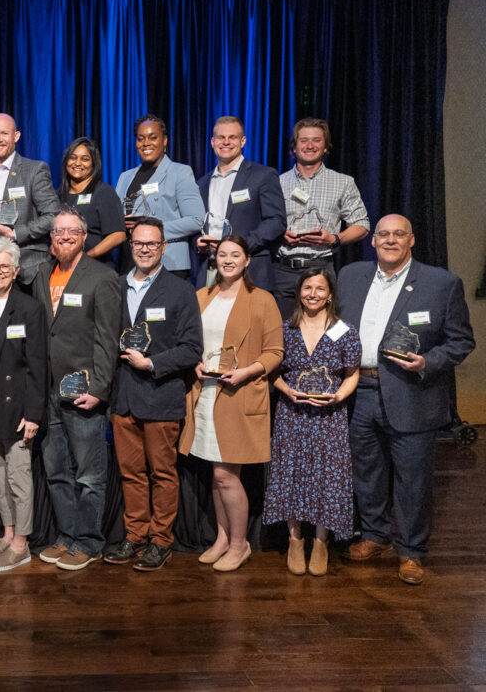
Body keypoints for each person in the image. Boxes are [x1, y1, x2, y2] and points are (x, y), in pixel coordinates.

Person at [339, 214, 475, 585]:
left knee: (413, 479)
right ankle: (374, 535)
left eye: (399, 234)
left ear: (411, 240)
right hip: (360, 390)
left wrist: (428, 362)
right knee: (365, 472)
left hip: (413, 392)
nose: (390, 240)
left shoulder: (441, 283)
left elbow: (461, 341)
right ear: (373, 241)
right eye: (383, 234)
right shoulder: (350, 277)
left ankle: (412, 551)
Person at [179, 235, 283, 572]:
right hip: (204, 393)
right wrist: (194, 362)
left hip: (237, 394)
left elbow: (275, 352)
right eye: (222, 254)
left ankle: (240, 545)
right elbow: (191, 342)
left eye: (235, 254)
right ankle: (222, 538)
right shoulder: (201, 296)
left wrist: (246, 373)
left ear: (247, 260)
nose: (227, 260)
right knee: (215, 471)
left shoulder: (262, 299)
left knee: (226, 474)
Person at [105, 217, 202, 571]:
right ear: (131, 246)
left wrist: (151, 363)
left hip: (160, 395)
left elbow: (192, 348)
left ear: (164, 247)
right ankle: (135, 536)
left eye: (152, 244)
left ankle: (161, 541)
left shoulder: (180, 290)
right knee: (131, 474)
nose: (144, 249)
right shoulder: (115, 286)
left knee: (162, 473)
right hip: (123, 398)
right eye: (138, 243)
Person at [33, 209, 121, 570]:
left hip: (83, 390)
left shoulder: (102, 277)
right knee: (56, 471)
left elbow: (106, 338)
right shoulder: (41, 274)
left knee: (88, 474)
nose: (64, 237)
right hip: (47, 391)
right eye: (58, 232)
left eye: (72, 231)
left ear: (84, 236)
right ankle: (67, 536)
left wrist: (100, 388)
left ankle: (88, 540)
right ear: (51, 238)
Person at [263, 268, 361, 576]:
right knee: (291, 474)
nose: (313, 294)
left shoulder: (344, 331)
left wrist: (338, 397)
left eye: (320, 288)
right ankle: (295, 539)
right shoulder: (284, 330)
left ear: (330, 294)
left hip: (329, 417)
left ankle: (321, 542)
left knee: (326, 478)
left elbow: (352, 372)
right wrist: (287, 391)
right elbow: (273, 372)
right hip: (291, 415)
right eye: (307, 287)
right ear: (299, 292)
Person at [0, 239, 47, 573]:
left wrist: (33, 413)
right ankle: (8, 532)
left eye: (4, 267)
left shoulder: (29, 308)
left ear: (16, 271)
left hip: (15, 395)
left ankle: (22, 544)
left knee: (17, 471)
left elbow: (38, 366)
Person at [273, 118, 370, 318]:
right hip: (283, 271)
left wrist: (334, 239)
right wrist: (278, 234)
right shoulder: (276, 183)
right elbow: (265, 222)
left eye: (317, 140)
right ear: (294, 147)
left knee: (321, 335)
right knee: (280, 334)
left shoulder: (343, 182)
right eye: (304, 140)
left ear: (326, 147)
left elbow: (362, 225)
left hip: (321, 269)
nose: (310, 145)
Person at [194, 117, 286, 290]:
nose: (226, 142)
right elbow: (194, 225)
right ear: (213, 142)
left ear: (243, 141)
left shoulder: (263, 176)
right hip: (211, 271)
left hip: (250, 271)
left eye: (232, 137)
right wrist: (197, 242)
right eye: (221, 137)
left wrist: (239, 246)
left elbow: (276, 222)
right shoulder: (201, 184)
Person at [0, 113, 59, 289]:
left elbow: (54, 215)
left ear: (16, 136)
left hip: (24, 270)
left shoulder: (34, 170)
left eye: (4, 133)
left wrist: (15, 234)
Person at [114, 115, 205, 280]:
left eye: (153, 137)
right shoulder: (125, 177)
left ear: (165, 141)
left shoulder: (180, 172)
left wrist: (152, 230)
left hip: (168, 264)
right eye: (140, 139)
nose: (146, 143)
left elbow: (197, 219)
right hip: (130, 263)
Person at [56, 138, 126, 264]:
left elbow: (118, 235)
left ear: (94, 164)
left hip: (96, 267)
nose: (77, 163)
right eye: (73, 158)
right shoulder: (58, 195)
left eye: (85, 159)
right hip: (63, 266)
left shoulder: (103, 192)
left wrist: (86, 257)